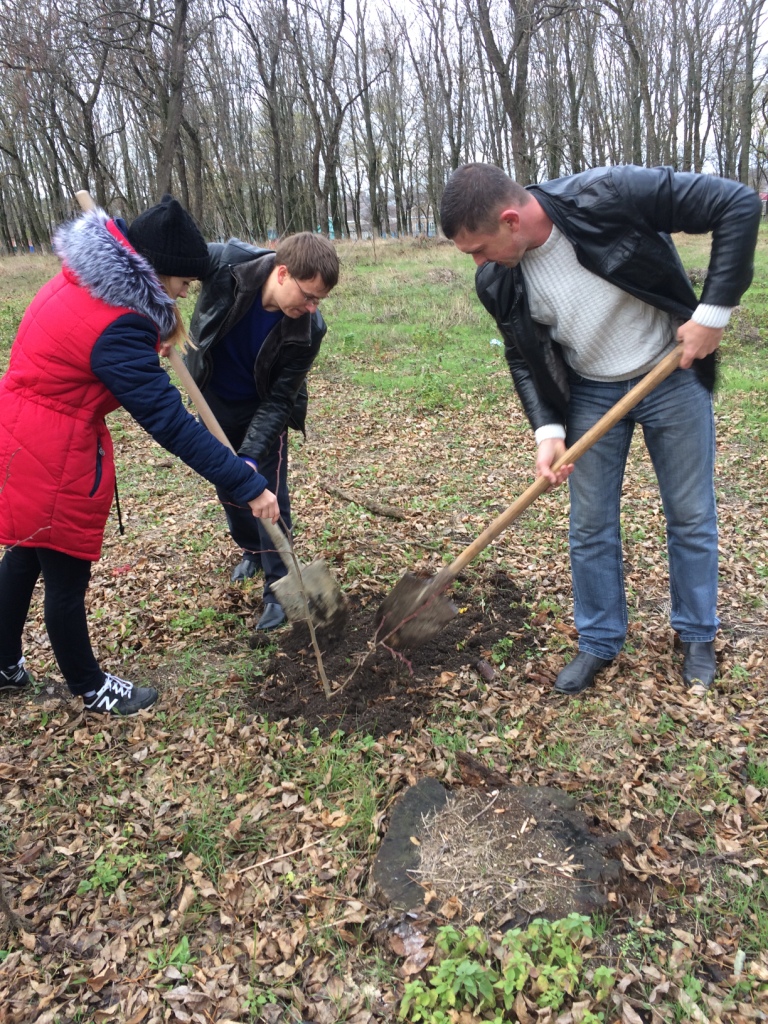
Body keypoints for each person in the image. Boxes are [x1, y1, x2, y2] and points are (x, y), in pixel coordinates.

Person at [440, 163, 761, 695]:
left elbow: (737, 205)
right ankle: (599, 640)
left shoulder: (607, 195)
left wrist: (714, 311)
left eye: (478, 248)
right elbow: (523, 357)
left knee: (690, 513)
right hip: (590, 390)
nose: (477, 262)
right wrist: (547, 430)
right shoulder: (496, 279)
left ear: (511, 219)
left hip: (671, 372)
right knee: (589, 525)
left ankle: (698, 634)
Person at [0, 195, 279, 716]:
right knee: (63, 570)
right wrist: (244, 481)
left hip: (20, 428)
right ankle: (90, 686)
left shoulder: (86, 282)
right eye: (183, 281)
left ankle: (2, 662)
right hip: (49, 445)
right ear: (160, 270)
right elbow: (169, 422)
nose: (187, 291)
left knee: (25, 551)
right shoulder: (119, 324)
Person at [186, 232, 339, 632]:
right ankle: (251, 550)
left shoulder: (309, 329)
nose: (311, 307)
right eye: (308, 296)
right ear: (283, 273)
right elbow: (171, 265)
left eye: (318, 301)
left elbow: (280, 398)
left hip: (262, 407)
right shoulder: (228, 265)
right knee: (230, 490)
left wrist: (251, 456)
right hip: (212, 400)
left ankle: (276, 588)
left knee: (270, 494)